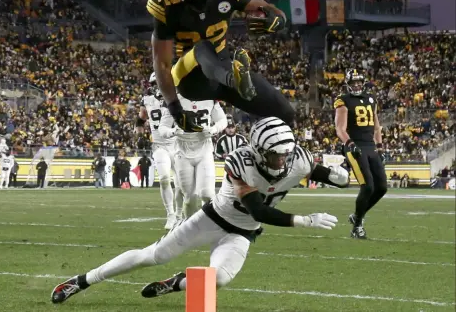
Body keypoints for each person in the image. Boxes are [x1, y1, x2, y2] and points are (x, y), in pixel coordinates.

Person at [50, 117, 347, 304]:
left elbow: (315, 170)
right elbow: (258, 211)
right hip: (212, 219)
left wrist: (335, 176)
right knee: (153, 256)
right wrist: (305, 221)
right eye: (274, 155)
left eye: (285, 155)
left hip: (243, 232)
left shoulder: (297, 158)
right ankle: (82, 281)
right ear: (257, 150)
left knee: (218, 278)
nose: (282, 161)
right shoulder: (239, 162)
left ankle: (177, 283)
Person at [147, 0, 295, 136]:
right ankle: (235, 80)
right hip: (191, 78)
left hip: (224, 68)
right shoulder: (166, 4)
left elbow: (264, 7)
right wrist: (174, 108)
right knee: (202, 47)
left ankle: (279, 159)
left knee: (286, 113)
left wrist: (278, 19)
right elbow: (162, 64)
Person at [334, 69, 388, 239]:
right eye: (354, 82)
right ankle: (357, 227)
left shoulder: (371, 99)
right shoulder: (343, 101)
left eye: (359, 82)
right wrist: (349, 143)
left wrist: (380, 146)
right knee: (368, 186)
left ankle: (358, 215)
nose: (357, 85)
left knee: (381, 187)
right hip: (354, 146)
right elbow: (340, 128)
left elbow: (377, 126)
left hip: (370, 146)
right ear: (348, 84)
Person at [159, 94, 227, 217]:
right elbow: (162, 128)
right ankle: (190, 227)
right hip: (182, 150)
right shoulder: (174, 99)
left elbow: (223, 120)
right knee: (190, 198)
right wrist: (173, 131)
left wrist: (214, 129)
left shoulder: (209, 98)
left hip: (204, 149)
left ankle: (211, 223)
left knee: (207, 194)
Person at [136, 72, 182, 228]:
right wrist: (140, 136)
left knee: (181, 183)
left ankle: (180, 214)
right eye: (157, 83)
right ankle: (170, 214)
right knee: (164, 179)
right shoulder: (147, 100)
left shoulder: (176, 97)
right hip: (159, 145)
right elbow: (140, 119)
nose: (160, 86)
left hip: (177, 144)